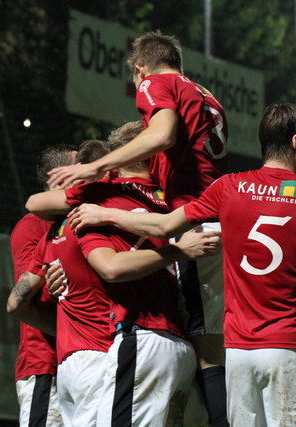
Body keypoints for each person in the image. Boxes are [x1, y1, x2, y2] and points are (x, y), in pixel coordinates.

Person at [68, 103, 296, 426]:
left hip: (238, 355)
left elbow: (164, 227)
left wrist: (104, 213)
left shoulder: (228, 187)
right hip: (292, 347)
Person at [47, 30, 229, 426]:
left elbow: (161, 134)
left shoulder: (154, 81)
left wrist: (95, 168)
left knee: (208, 349)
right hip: (206, 214)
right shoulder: (205, 94)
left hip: (194, 220)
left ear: (138, 67)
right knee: (206, 341)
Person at [27, 121, 222, 425]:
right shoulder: (177, 202)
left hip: (139, 339)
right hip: (189, 348)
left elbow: (36, 204)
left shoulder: (98, 197)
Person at [9, 144, 77, 427]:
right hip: (45, 365)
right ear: (58, 177)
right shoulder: (32, 225)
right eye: (80, 166)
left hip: (79, 365)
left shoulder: (77, 220)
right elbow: (21, 302)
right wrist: (69, 333)